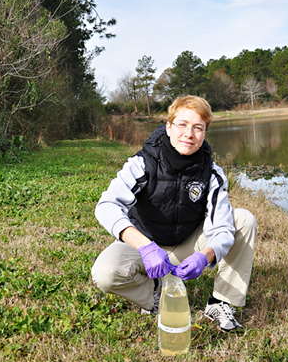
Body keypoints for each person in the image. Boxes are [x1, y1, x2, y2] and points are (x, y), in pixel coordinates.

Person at [91, 95, 257, 332]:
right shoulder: (141, 163)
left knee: (243, 220)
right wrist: (146, 247)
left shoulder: (212, 173)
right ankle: (156, 296)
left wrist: (206, 255)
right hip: (145, 244)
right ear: (168, 127)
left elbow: (221, 227)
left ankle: (221, 302)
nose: (189, 133)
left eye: (198, 128)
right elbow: (107, 206)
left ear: (204, 133)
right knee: (105, 273)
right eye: (182, 125)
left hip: (187, 243)